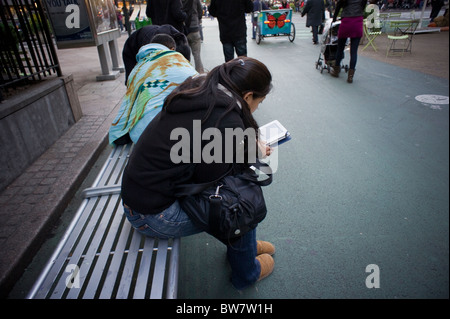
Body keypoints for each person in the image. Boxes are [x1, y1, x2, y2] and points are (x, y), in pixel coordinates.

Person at [120, 56, 276, 290]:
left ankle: (247, 248)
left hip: (143, 194)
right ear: (247, 96)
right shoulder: (226, 120)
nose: (256, 108)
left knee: (236, 193)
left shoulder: (202, 87)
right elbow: (213, 178)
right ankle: (247, 273)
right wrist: (253, 153)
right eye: (258, 102)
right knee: (243, 205)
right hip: (153, 216)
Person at [109, 34, 197, 145]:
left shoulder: (137, 69)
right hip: (173, 135)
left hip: (139, 135)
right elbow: (201, 86)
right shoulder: (177, 60)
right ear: (172, 49)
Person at [122, 24, 191, 85]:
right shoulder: (152, 48)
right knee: (135, 82)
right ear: (172, 50)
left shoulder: (181, 41)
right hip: (132, 50)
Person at [330, 0, 366, 83]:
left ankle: (336, 70)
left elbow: (339, 6)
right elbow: (363, 7)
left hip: (346, 21)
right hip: (358, 21)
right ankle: (350, 76)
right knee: (353, 52)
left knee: (340, 48)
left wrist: (334, 18)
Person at [182, 0, 205, 73]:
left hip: (183, 30)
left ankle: (187, 74)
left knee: (184, 56)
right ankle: (200, 74)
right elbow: (200, 10)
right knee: (197, 55)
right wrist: (198, 19)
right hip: (194, 28)